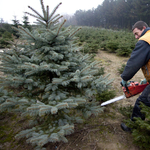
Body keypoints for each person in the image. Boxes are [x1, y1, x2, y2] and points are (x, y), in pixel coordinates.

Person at [121, 21, 150, 131]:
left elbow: (134, 63)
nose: (136, 37)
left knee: (142, 102)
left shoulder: (145, 40)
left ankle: (133, 127)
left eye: (137, 33)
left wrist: (125, 78)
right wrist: (145, 80)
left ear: (143, 28)